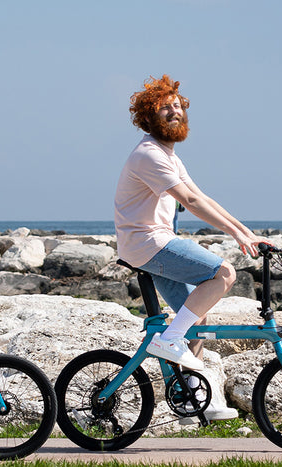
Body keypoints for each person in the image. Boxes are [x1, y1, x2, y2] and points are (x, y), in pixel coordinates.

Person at [114, 75, 270, 420]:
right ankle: (169, 343)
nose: (174, 111)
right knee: (224, 273)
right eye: (164, 108)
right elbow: (190, 201)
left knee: (196, 317)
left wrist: (246, 232)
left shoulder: (168, 156)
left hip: (149, 245)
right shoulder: (148, 155)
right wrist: (235, 235)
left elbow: (204, 197)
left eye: (177, 105)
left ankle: (191, 398)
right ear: (148, 118)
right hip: (148, 243)